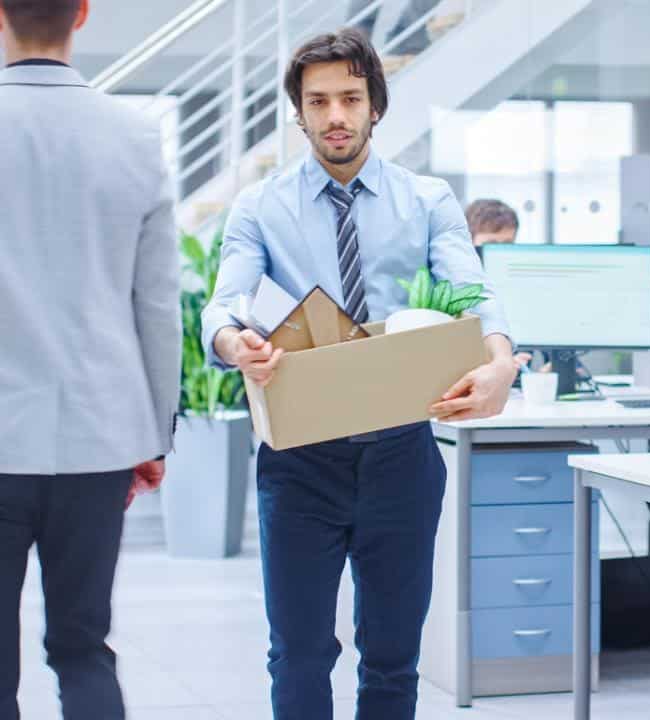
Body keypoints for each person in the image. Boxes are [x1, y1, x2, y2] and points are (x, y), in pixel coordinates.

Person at [201, 28, 515, 720]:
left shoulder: (427, 200)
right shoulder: (260, 206)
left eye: (350, 97)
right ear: (299, 111)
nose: (336, 116)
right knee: (300, 655)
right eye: (318, 102)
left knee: (393, 658)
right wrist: (233, 342)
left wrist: (500, 363)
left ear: (376, 103)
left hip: (401, 456)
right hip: (299, 463)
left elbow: (475, 293)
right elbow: (223, 305)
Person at [0, 2, 181, 718]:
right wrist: (154, 438)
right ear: (81, 14)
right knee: (82, 646)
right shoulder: (135, 136)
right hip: (99, 441)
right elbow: (158, 307)